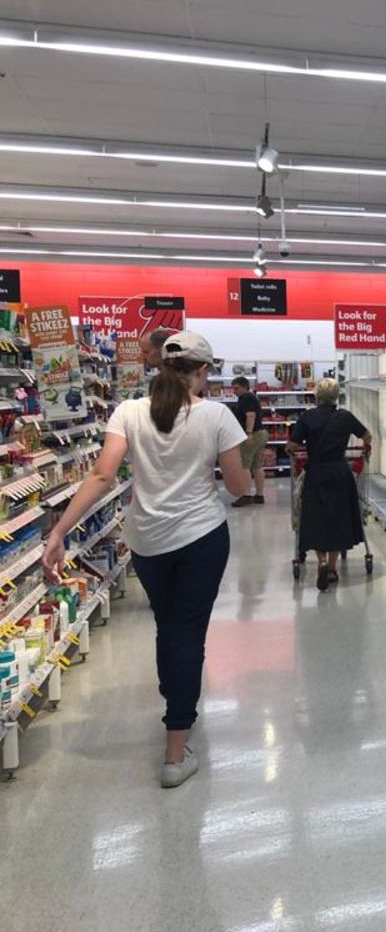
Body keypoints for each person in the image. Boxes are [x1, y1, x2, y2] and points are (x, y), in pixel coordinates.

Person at [42, 331, 250, 788]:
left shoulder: (128, 412)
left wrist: (58, 532)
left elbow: (101, 475)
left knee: (169, 626)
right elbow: (239, 488)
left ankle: (174, 697)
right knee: (187, 634)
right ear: (202, 372)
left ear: (161, 367)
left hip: (148, 541)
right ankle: (176, 751)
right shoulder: (217, 415)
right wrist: (253, 462)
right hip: (201, 538)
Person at [287, 377, 371, 592]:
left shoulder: (307, 417)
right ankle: (332, 568)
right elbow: (367, 435)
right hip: (340, 473)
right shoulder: (344, 417)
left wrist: (292, 448)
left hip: (316, 473)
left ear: (316, 396)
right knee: (338, 518)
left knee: (316, 518)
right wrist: (366, 446)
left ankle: (321, 562)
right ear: (336, 396)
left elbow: (293, 445)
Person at [230, 376, 267, 506]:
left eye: (237, 388)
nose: (234, 391)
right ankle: (259, 495)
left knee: (244, 465)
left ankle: (246, 495)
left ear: (245, 387)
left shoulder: (246, 397)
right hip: (261, 433)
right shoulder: (251, 397)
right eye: (233, 388)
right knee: (257, 466)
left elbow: (250, 415)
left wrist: (248, 433)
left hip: (253, 434)